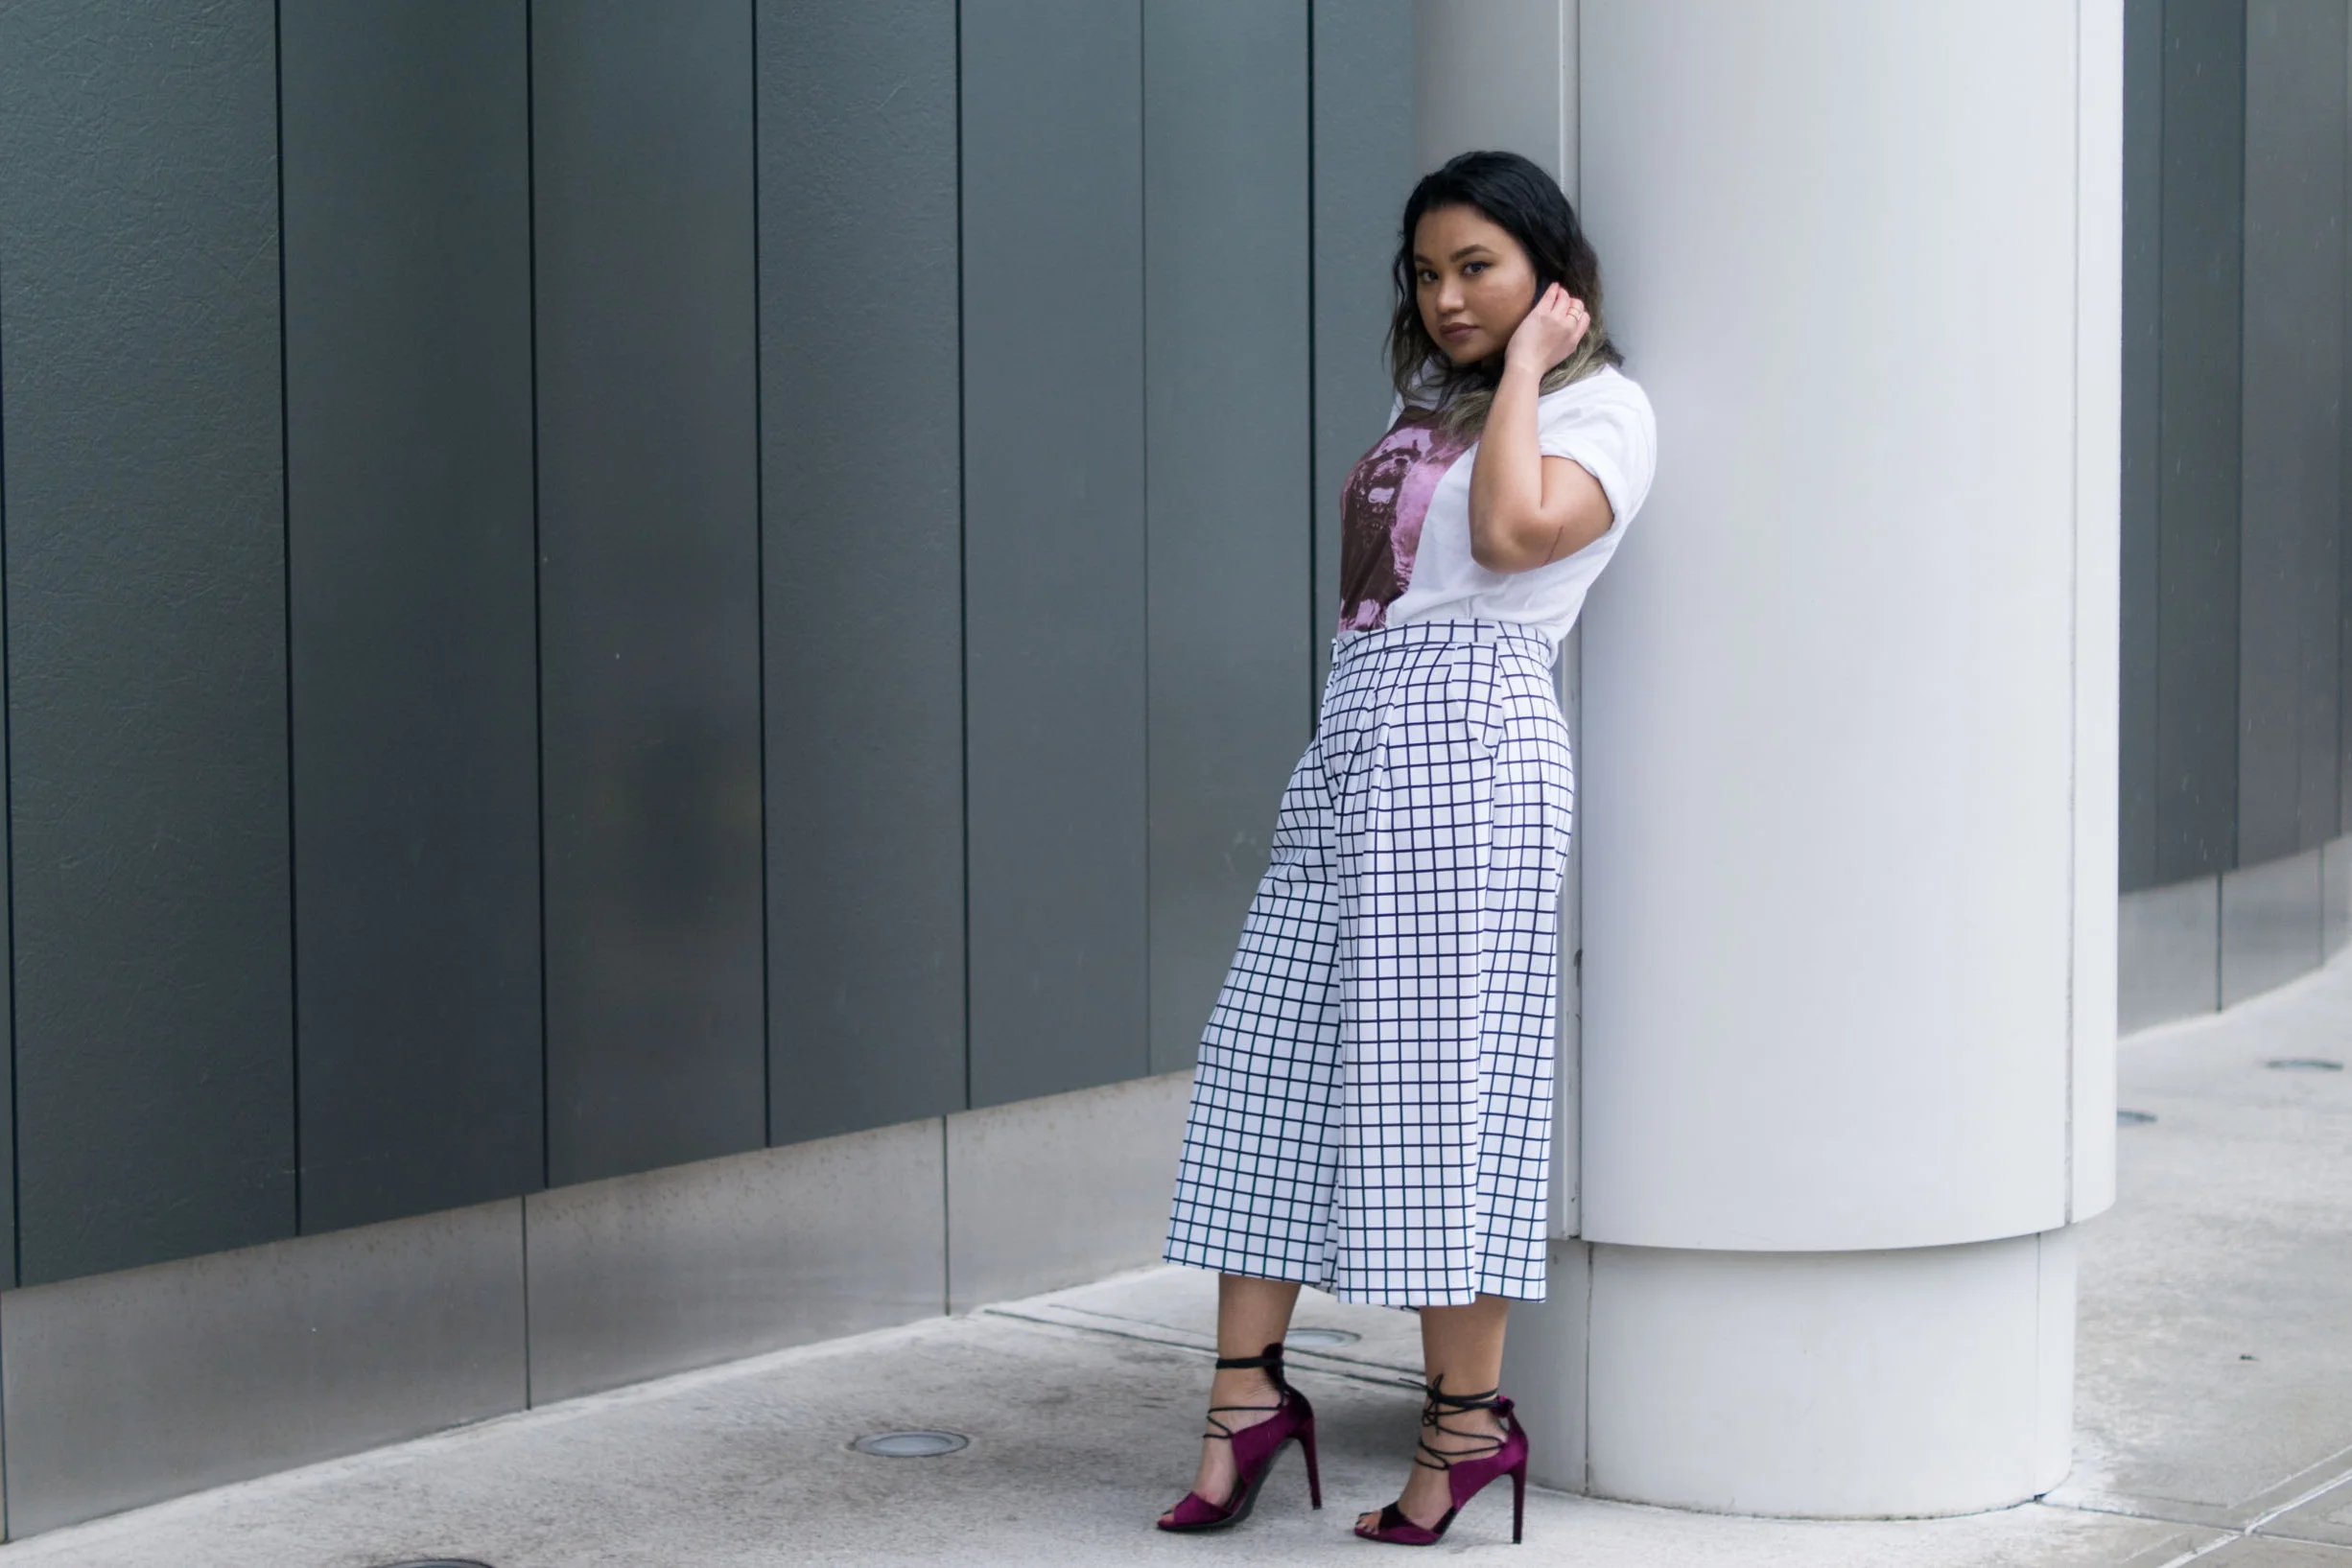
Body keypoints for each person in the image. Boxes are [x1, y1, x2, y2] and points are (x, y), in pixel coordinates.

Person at [1154, 149, 1658, 1546]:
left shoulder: (1606, 410)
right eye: (1427, 273)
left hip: (1476, 739)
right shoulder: (1420, 399)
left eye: (1476, 268)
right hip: (1360, 728)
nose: (1443, 298)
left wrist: (1524, 375)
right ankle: (1244, 1400)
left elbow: (1507, 537)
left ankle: (1465, 1429)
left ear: (1553, 278)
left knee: (1440, 1093)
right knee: (1267, 1056)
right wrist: (1481, 380)